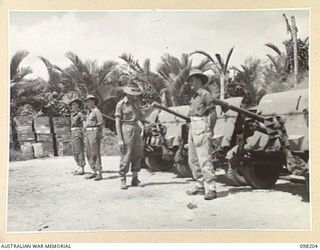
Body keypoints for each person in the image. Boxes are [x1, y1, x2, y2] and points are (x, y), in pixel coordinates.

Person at [185, 69, 218, 200]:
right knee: (192, 159)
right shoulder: (194, 97)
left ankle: (211, 188)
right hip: (193, 127)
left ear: (199, 80)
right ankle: (199, 185)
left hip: (202, 126)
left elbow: (213, 114)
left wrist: (210, 129)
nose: (190, 83)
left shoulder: (205, 95)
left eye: (192, 80)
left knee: (204, 158)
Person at [115, 82, 146, 190]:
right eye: (133, 93)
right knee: (126, 154)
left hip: (136, 128)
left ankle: (135, 178)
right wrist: (120, 139)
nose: (135, 95)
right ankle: (123, 178)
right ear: (128, 93)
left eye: (136, 93)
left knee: (137, 154)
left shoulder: (137, 104)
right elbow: (117, 122)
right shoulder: (121, 104)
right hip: (126, 129)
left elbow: (142, 117)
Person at [84, 95, 104, 181]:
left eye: (89, 101)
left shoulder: (96, 111)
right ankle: (93, 171)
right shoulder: (89, 112)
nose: (88, 103)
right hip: (88, 132)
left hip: (94, 132)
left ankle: (99, 172)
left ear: (93, 101)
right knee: (88, 153)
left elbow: (101, 123)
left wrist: (99, 134)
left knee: (95, 152)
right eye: (87, 101)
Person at [69, 98, 86, 175]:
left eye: (74, 104)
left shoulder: (80, 114)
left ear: (78, 105)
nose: (73, 106)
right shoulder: (72, 115)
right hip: (72, 132)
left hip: (78, 132)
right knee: (74, 150)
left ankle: (82, 168)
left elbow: (84, 123)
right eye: (72, 105)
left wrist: (83, 132)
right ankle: (78, 166)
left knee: (79, 150)